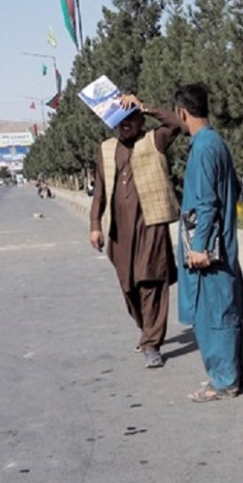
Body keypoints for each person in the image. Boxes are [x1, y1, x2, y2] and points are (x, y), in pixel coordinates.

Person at [173, 83, 243, 402]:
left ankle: (224, 381)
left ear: (182, 112)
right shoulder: (214, 142)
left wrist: (200, 246)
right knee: (226, 312)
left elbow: (206, 204)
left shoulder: (204, 148)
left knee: (214, 314)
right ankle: (235, 372)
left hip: (210, 250)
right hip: (223, 245)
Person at [89, 94, 181, 368]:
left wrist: (144, 105)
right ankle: (146, 330)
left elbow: (177, 123)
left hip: (151, 226)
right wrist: (95, 225)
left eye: (131, 117)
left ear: (140, 120)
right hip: (121, 233)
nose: (126, 123)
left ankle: (152, 343)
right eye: (120, 119)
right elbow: (100, 193)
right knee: (129, 287)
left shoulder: (155, 140)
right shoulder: (106, 149)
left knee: (150, 281)